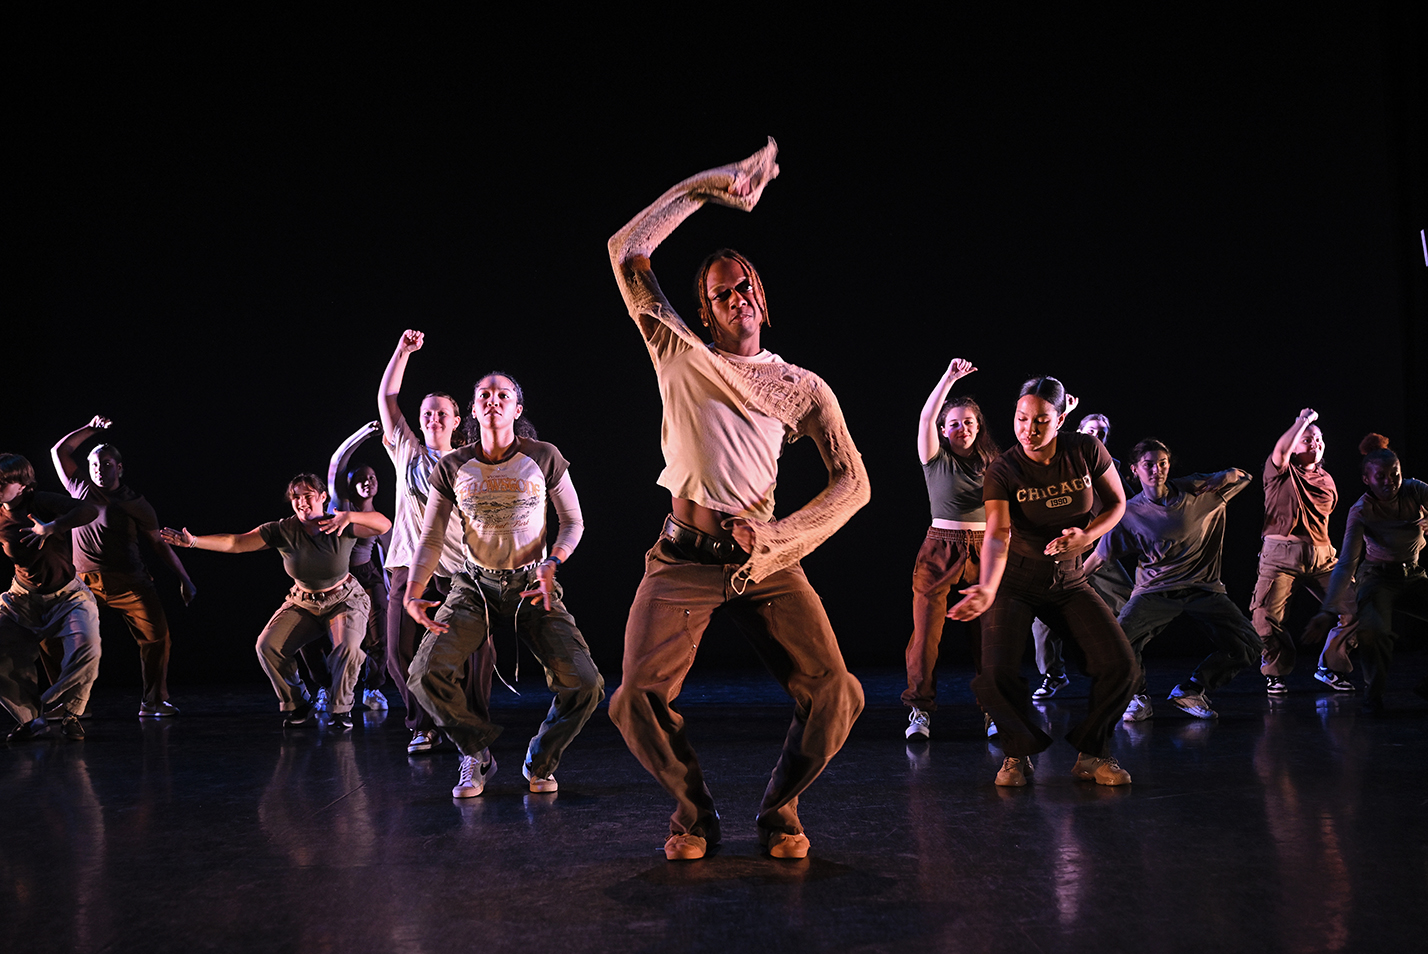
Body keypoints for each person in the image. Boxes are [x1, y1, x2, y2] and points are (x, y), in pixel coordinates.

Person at [606, 140, 869, 861]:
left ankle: (780, 810)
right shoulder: (677, 351)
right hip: (683, 558)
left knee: (838, 692)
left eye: (747, 285)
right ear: (706, 310)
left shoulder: (800, 387)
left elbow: (854, 482)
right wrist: (709, 187)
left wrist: (782, 538)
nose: (739, 296)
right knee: (633, 698)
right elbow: (626, 250)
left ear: (763, 298)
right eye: (724, 292)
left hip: (763, 562)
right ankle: (694, 816)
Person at [404, 373, 604, 799]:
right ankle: (476, 752)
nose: (493, 400)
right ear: (474, 410)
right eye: (484, 395)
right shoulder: (452, 466)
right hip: (474, 587)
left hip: (533, 584)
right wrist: (413, 591)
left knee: (585, 684)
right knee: (424, 674)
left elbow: (573, 521)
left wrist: (553, 561)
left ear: (517, 409)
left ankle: (540, 758)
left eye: (503, 395)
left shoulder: (543, 456)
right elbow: (431, 537)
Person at [951, 376, 1137, 788]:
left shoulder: (1085, 450)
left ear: (1060, 418)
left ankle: (1092, 754)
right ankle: (1016, 754)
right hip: (1016, 580)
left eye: (1040, 421)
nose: (1028, 430)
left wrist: (1087, 536)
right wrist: (987, 586)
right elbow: (997, 534)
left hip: (1069, 580)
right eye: (1021, 419)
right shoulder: (1003, 469)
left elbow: (1117, 503)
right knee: (994, 674)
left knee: (1121, 665)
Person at [159, 474, 390, 728]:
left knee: (348, 648)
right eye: (296, 497)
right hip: (303, 601)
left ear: (323, 497)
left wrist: (350, 516)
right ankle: (298, 703)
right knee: (268, 646)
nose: (302, 502)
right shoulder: (283, 530)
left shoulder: (338, 524)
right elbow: (236, 542)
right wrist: (194, 542)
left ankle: (341, 709)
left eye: (308, 496)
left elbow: (383, 525)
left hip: (344, 599)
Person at [378, 330, 496, 755]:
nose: (433, 419)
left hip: (458, 570)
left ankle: (472, 727)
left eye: (441, 413)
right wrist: (402, 351)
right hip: (408, 566)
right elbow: (388, 399)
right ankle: (423, 724)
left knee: (478, 651)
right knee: (398, 652)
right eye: (427, 413)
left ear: (456, 420)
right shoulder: (407, 453)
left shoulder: (469, 462)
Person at [1090, 439, 1262, 721]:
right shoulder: (1130, 512)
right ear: (1134, 469)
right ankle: (1138, 696)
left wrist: (1227, 474)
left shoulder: (1196, 490)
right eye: (1148, 465)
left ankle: (1192, 690)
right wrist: (1064, 580)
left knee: (1248, 645)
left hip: (1203, 587)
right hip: (1155, 589)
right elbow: (1100, 556)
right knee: (1118, 642)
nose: (1156, 470)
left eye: (1162, 464)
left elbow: (1244, 477)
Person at [50, 416, 197, 717]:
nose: (99, 470)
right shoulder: (79, 486)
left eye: (106, 464)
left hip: (130, 581)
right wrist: (91, 429)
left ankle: (153, 701)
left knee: (158, 637)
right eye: (94, 464)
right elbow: (59, 451)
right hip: (84, 583)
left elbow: (158, 544)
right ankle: (68, 703)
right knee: (52, 634)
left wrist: (184, 578)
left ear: (119, 468)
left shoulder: (136, 503)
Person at [902, 358, 998, 741]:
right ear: (944, 431)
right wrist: (948, 378)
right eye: (954, 423)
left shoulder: (994, 464)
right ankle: (919, 709)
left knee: (988, 636)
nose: (962, 429)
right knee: (925, 637)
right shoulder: (935, 459)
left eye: (969, 422)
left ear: (979, 427)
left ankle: (993, 709)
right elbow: (926, 417)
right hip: (940, 549)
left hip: (984, 551)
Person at [1029, 412, 1133, 701]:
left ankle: (1125, 674)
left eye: (1101, 434)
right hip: (1063, 552)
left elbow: (1133, 505)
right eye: (1090, 431)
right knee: (1043, 618)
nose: (1095, 436)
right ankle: (1053, 674)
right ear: (1078, 432)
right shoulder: (1060, 462)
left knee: (1131, 606)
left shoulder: (1110, 467)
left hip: (1098, 551)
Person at [1250, 409, 1355, 694]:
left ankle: (1330, 666)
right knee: (1265, 618)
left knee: (1358, 607)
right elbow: (1281, 452)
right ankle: (1276, 671)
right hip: (1280, 557)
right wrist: (1303, 421)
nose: (1316, 443)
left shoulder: (1326, 480)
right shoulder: (1279, 473)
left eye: (1319, 439)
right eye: (1307, 440)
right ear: (1294, 446)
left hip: (1322, 557)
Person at [1323, 434, 1428, 713]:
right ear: (1366, 479)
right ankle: (1373, 696)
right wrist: (1328, 607)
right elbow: (1347, 562)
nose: (1389, 482)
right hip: (1378, 579)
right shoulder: (1361, 510)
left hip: (1413, 575)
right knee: (1373, 633)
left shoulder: (1415, 489)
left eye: (1395, 475)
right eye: (1380, 476)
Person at [0, 453, 101, 741]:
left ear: (22, 485)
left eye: (2, 482)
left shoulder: (40, 502)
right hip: (23, 598)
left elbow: (89, 510)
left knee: (88, 647)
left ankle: (69, 713)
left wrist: (52, 527)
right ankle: (31, 720)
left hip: (68, 596)